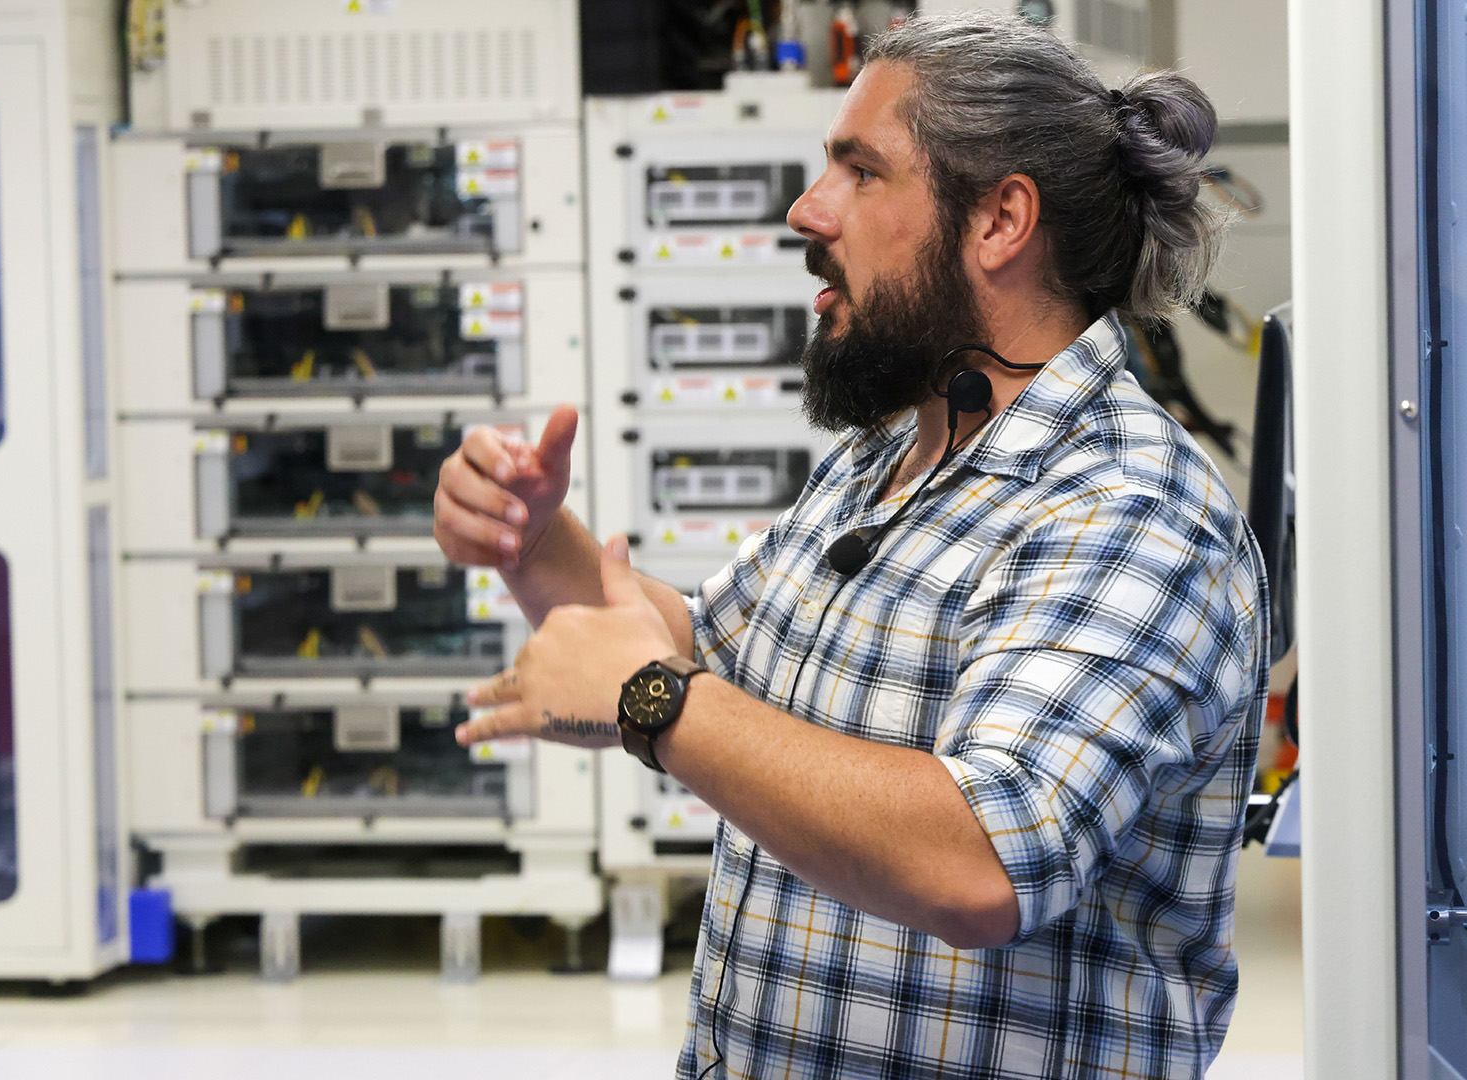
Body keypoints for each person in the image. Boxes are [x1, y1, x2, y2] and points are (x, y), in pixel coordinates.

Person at [434, 11, 1267, 1077]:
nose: (806, 210)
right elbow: (704, 660)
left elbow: (984, 863)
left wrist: (655, 701)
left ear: (1001, 218)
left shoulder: (1131, 507)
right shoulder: (890, 457)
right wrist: (530, 535)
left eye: (860, 170)